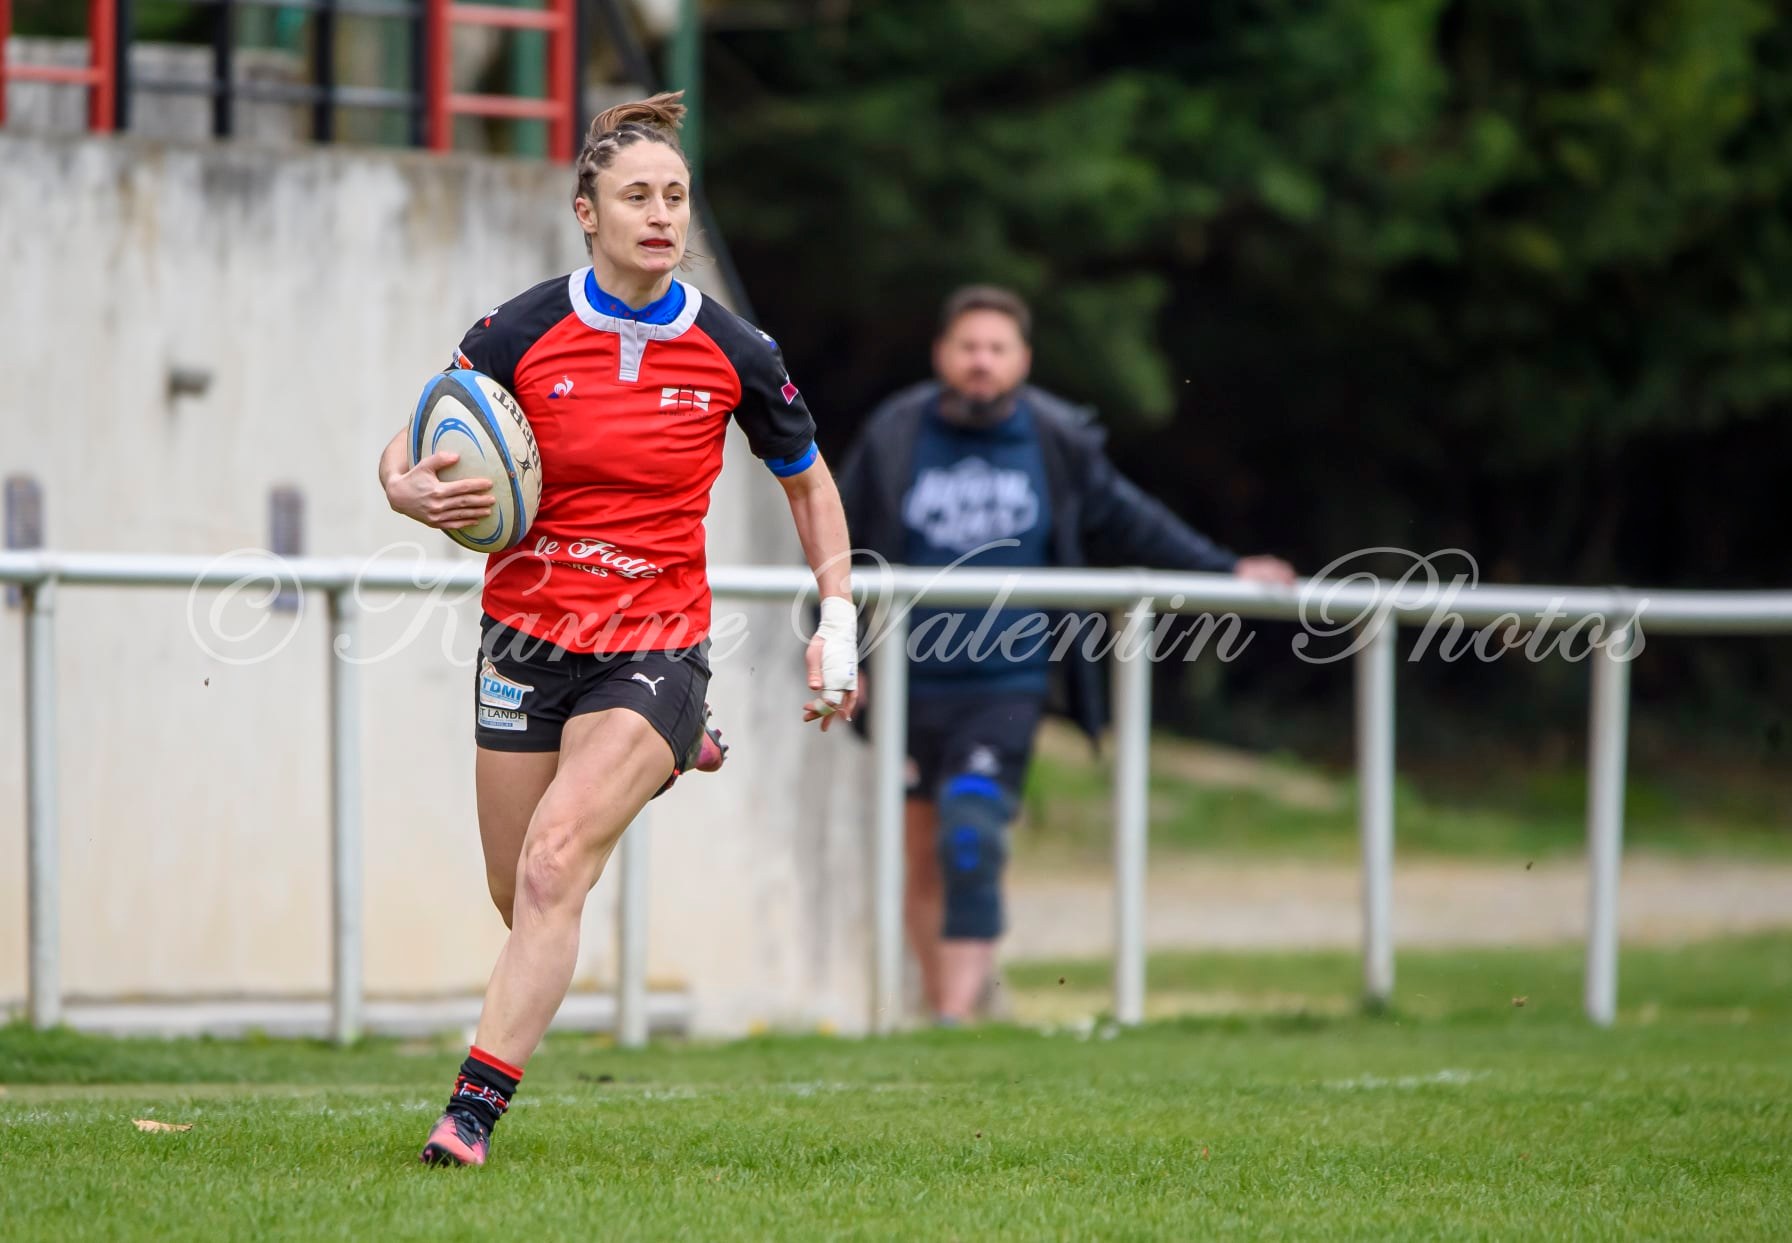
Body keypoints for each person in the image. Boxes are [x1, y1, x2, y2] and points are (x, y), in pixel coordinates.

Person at [376, 92, 860, 1167]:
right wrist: (406, 491)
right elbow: (411, 442)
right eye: (635, 196)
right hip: (524, 640)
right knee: (521, 894)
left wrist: (840, 618)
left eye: (676, 197)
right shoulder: (520, 328)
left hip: (654, 641)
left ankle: (470, 1112)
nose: (661, 215)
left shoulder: (733, 347)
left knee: (555, 867)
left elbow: (810, 487)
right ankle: (673, 750)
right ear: (584, 212)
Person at [835, 285, 1294, 1025]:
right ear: (941, 355)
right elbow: (837, 539)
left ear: (1022, 360)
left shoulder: (1054, 439)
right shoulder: (895, 433)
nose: (981, 362)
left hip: (1009, 681)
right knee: (921, 855)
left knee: (972, 835)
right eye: (968, 347)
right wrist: (837, 646)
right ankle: (941, 1003)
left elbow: (1132, 521)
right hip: (906, 684)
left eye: (996, 349)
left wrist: (1223, 568)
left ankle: (955, 1017)